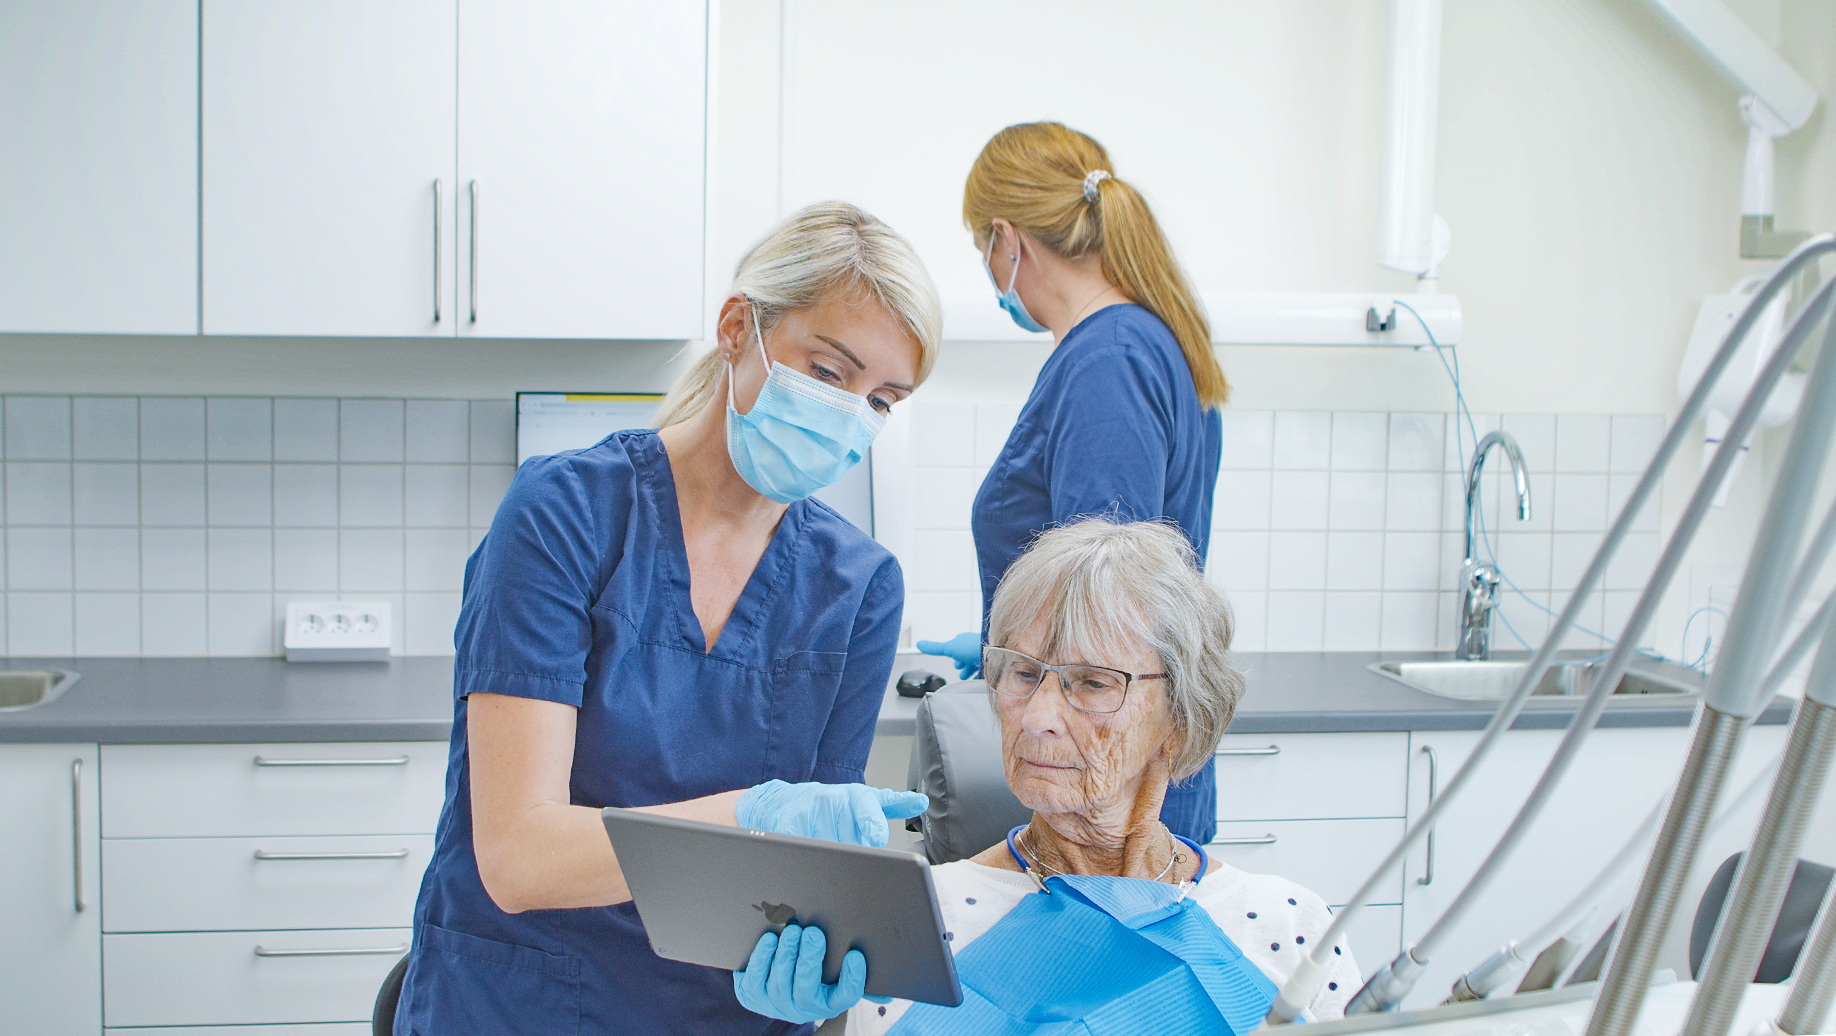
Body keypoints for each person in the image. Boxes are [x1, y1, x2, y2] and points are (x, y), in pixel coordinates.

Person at [394, 201, 943, 1036]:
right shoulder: (565, 516)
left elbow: (816, 883)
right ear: (736, 331)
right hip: (520, 1003)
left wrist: (817, 977)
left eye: (883, 400)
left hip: (717, 1016)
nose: (850, 417)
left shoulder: (859, 587)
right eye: (829, 374)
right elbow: (517, 856)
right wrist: (756, 816)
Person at [743, 519, 1360, 1033]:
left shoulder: (1287, 926)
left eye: (1092, 682)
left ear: (1180, 717)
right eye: (1021, 672)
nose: (1037, 717)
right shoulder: (918, 926)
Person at [917, 122, 1227, 847]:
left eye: (980, 248)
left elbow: (1104, 608)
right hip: (1113, 769)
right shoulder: (1128, 346)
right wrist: (1011, 652)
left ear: (1006, 239)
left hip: (1108, 796)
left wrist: (1038, 664)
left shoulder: (1109, 364)